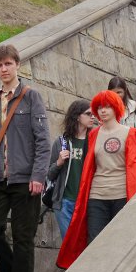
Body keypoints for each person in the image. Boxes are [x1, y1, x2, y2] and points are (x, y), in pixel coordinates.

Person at [0, 44, 51, 272]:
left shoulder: (31, 97)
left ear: (17, 65)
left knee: (24, 239)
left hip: (25, 180)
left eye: (8, 63)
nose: (4, 69)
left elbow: (43, 141)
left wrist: (38, 176)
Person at [57, 90, 136, 269]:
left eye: (107, 107)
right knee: (95, 243)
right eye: (99, 107)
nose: (102, 111)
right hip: (97, 195)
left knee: (120, 241)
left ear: (116, 108)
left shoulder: (131, 133)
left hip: (122, 194)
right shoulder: (93, 135)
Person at [47, 100, 94, 238]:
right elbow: (49, 174)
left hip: (86, 202)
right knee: (69, 244)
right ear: (78, 117)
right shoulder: (62, 142)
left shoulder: (93, 141)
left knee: (84, 244)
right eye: (88, 114)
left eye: (93, 114)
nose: (93, 117)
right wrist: (59, 162)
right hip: (64, 202)